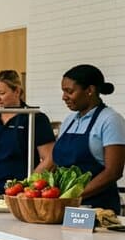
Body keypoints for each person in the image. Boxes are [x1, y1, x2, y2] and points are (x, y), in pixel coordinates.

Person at [34, 64, 124, 212]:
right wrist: (34, 186)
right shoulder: (69, 120)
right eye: (63, 91)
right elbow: (55, 162)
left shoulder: (110, 120)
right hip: (64, 204)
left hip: (97, 207)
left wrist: (73, 196)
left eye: (69, 91)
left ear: (90, 90)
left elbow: (113, 171)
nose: (64, 97)